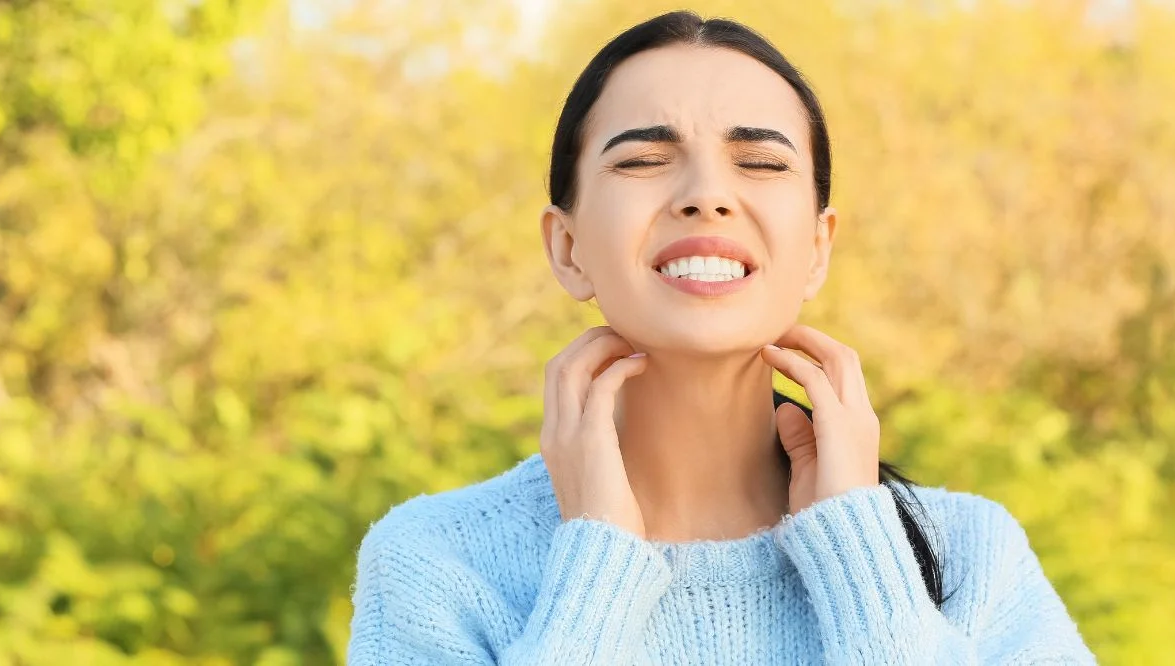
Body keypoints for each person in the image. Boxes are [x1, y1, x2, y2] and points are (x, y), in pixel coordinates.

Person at [347, 10, 1096, 665]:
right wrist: (597, 566)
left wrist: (862, 562)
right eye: (642, 160)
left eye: (761, 163)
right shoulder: (435, 562)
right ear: (566, 247)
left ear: (817, 247)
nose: (706, 194)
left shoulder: (970, 555)